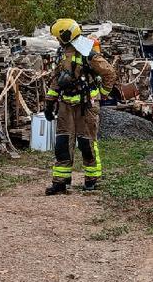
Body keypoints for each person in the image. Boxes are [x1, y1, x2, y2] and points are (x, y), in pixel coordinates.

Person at [43, 18, 117, 195]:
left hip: (86, 106)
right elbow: (55, 80)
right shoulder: (61, 53)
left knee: (86, 143)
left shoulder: (88, 53)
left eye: (58, 37)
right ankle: (60, 182)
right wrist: (49, 103)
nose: (56, 40)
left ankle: (91, 179)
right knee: (62, 143)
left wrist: (103, 92)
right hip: (65, 105)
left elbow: (109, 72)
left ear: (65, 35)